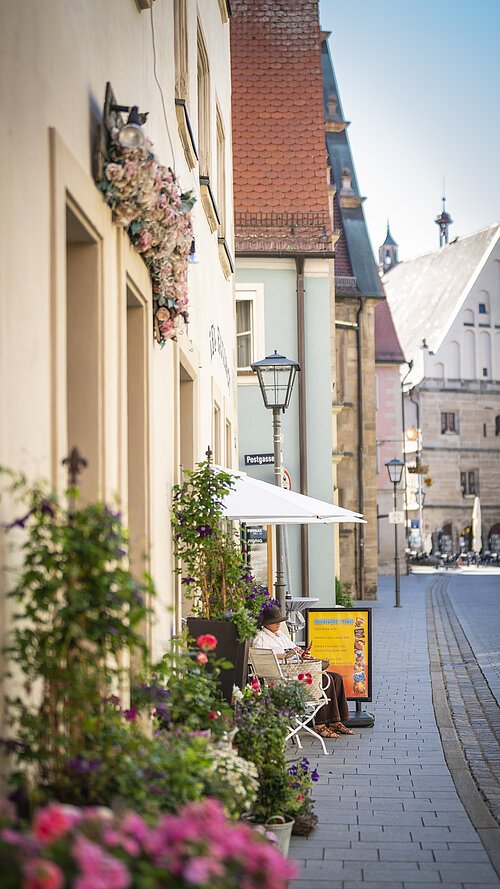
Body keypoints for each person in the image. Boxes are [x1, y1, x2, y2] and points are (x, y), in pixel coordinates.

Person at [252, 605, 354, 738]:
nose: (278, 624)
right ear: (266, 623)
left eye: (279, 621)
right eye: (275, 621)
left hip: (297, 671)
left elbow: (294, 648)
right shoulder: (261, 638)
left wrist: (302, 653)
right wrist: (284, 656)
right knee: (322, 680)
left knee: (336, 677)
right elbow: (261, 659)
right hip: (282, 678)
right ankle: (320, 724)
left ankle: (335, 720)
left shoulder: (280, 634)